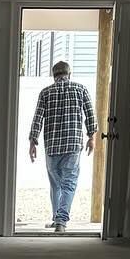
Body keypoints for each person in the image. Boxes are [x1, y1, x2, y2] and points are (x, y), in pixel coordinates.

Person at [28, 59, 96, 234]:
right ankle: (60, 221)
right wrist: (92, 137)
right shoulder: (80, 89)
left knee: (55, 184)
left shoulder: (46, 92)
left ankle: (58, 219)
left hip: (52, 146)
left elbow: (37, 119)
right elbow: (90, 114)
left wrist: (32, 142)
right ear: (69, 74)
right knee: (69, 183)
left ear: (54, 76)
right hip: (73, 144)